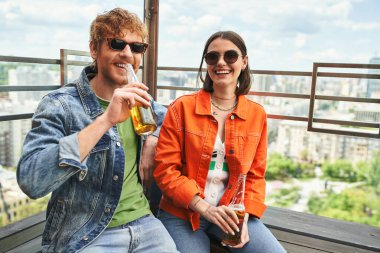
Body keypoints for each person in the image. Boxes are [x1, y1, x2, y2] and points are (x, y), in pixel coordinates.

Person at [17, 8, 178, 253]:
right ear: (94, 49)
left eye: (136, 48)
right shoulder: (60, 105)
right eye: (116, 44)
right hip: (87, 232)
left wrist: (154, 138)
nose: (127, 54)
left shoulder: (141, 100)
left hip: (145, 223)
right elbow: (32, 180)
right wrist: (105, 121)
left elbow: (168, 116)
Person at [154, 31, 287, 253]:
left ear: (244, 62)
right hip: (182, 214)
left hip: (230, 213)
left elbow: (255, 176)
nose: (221, 63)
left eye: (230, 56)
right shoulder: (181, 108)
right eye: (212, 57)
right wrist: (204, 208)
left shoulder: (256, 115)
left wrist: (243, 220)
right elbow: (165, 170)